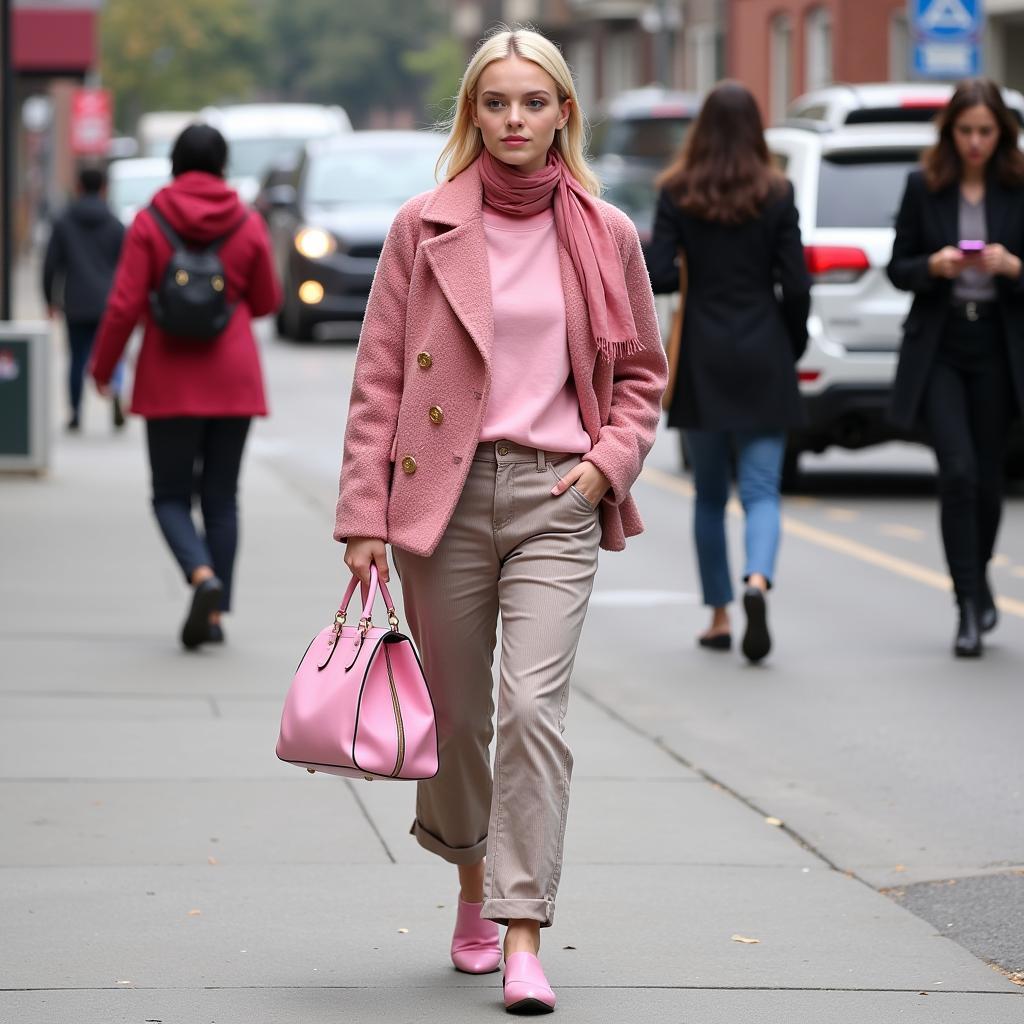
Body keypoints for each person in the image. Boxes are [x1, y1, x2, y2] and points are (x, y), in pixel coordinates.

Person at [335, 27, 666, 1015]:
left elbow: (643, 376)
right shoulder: (422, 227)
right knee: (458, 718)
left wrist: (604, 467)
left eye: (532, 102)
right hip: (440, 496)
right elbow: (379, 379)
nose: (514, 121)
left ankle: (524, 931)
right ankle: (471, 890)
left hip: (555, 496)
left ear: (564, 111)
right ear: (471, 113)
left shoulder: (606, 233)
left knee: (531, 708)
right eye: (495, 103)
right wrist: (363, 514)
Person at [90, 124, 282, 650]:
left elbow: (124, 304)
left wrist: (103, 370)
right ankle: (215, 612)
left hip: (169, 378)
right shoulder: (247, 221)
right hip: (233, 377)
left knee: (170, 496)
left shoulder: (150, 221)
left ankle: (200, 576)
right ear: (223, 166)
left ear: (173, 165)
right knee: (221, 497)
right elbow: (266, 300)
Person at [648, 81, 811, 664]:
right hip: (765, 349)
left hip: (702, 358)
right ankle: (757, 581)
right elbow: (795, 283)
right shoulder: (777, 192)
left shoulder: (678, 191)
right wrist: (790, 344)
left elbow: (660, 275)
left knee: (710, 495)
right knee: (763, 489)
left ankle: (719, 615)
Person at [888, 78, 1024, 658]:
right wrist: (934, 266)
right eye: (965, 131)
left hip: (999, 345)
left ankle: (980, 575)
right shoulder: (926, 186)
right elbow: (898, 267)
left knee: (990, 477)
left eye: (985, 132)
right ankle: (967, 604)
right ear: (950, 133)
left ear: (1002, 134)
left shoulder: (1018, 188)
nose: (974, 142)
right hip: (942, 345)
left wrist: (1013, 266)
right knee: (959, 471)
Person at [42, 165, 126, 431]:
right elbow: (127, 267)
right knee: (112, 354)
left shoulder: (64, 221)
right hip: (107, 302)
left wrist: (50, 299)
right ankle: (114, 393)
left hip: (75, 301)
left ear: (78, 188)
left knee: (77, 358)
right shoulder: (115, 224)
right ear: (104, 188)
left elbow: (50, 264)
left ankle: (76, 413)